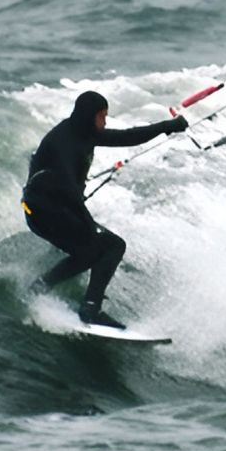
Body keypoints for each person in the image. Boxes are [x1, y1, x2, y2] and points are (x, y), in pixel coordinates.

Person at [22, 91, 187, 329]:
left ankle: (39, 287)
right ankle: (90, 308)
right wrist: (90, 227)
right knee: (111, 245)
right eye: (102, 116)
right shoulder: (64, 141)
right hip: (45, 213)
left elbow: (127, 137)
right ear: (89, 115)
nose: (105, 123)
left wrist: (167, 126)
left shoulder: (83, 131)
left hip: (52, 211)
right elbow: (68, 190)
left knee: (88, 252)